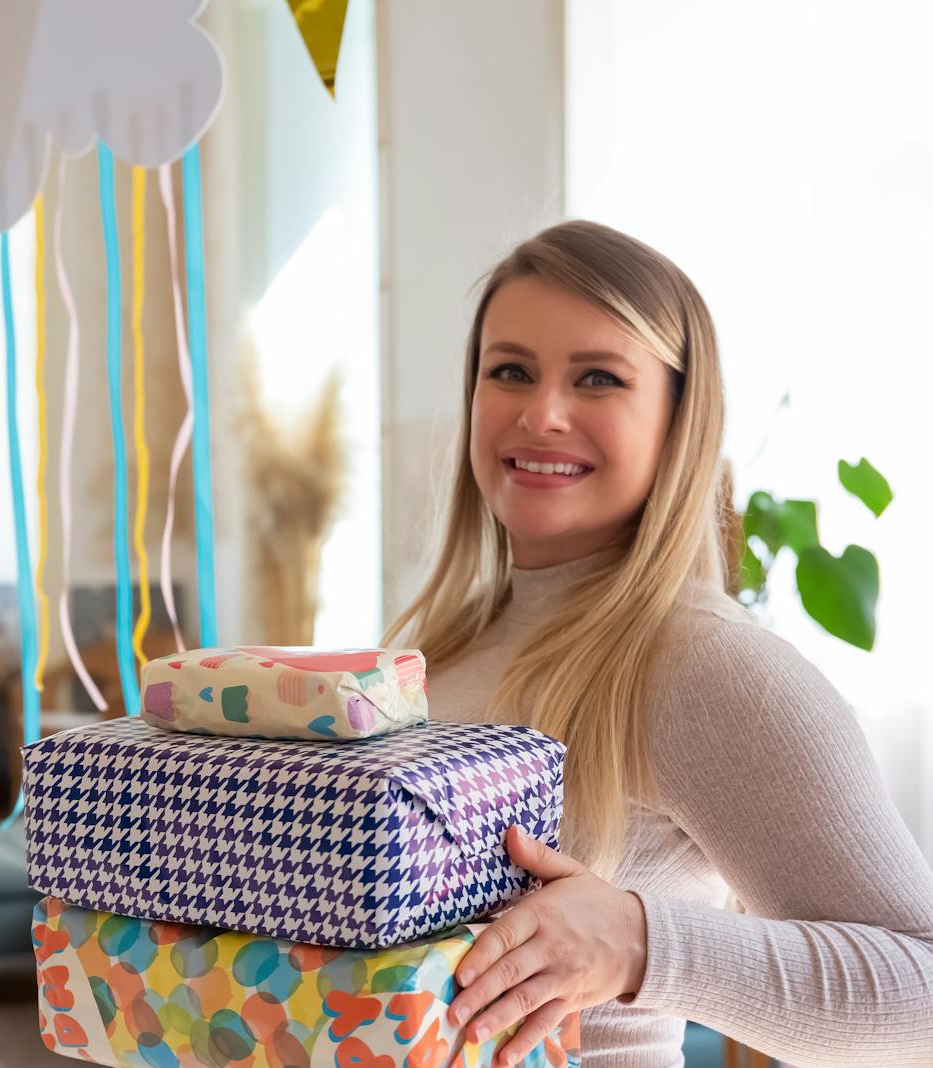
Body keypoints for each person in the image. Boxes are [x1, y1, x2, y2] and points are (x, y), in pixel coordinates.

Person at [380, 220, 933, 1067]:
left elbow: (921, 988)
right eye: (510, 371)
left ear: (679, 421)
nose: (540, 413)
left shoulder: (706, 667)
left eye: (598, 378)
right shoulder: (443, 649)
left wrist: (641, 943)